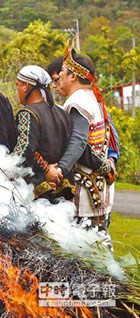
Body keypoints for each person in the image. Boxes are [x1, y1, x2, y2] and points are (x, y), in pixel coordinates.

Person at [46, 47, 119, 245]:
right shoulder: (92, 99)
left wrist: (60, 168)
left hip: (86, 192)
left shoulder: (78, 101)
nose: (59, 76)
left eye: (62, 72)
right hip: (97, 189)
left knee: (85, 252)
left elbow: (79, 141)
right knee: (98, 249)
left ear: (73, 76)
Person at [12, 65, 73, 201]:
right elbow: (73, 146)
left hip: (35, 190)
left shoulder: (27, 113)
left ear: (26, 86)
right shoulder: (62, 113)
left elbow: (24, 149)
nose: (17, 90)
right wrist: (58, 169)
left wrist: (46, 170)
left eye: (18, 85)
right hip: (62, 186)